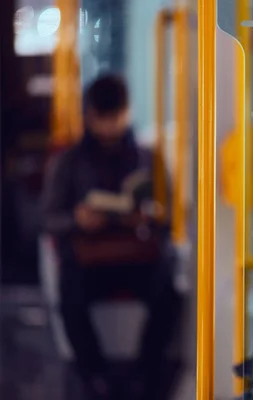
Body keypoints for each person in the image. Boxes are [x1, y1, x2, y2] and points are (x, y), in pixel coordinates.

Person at [41, 74, 181, 400]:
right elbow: (49, 219)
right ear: (89, 117)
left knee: (169, 290)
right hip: (89, 258)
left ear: (127, 112)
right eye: (102, 119)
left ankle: (145, 376)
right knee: (70, 290)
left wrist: (151, 215)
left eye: (114, 118)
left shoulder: (148, 158)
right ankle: (95, 376)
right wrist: (77, 219)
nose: (108, 127)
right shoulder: (69, 162)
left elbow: (170, 214)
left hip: (136, 255)